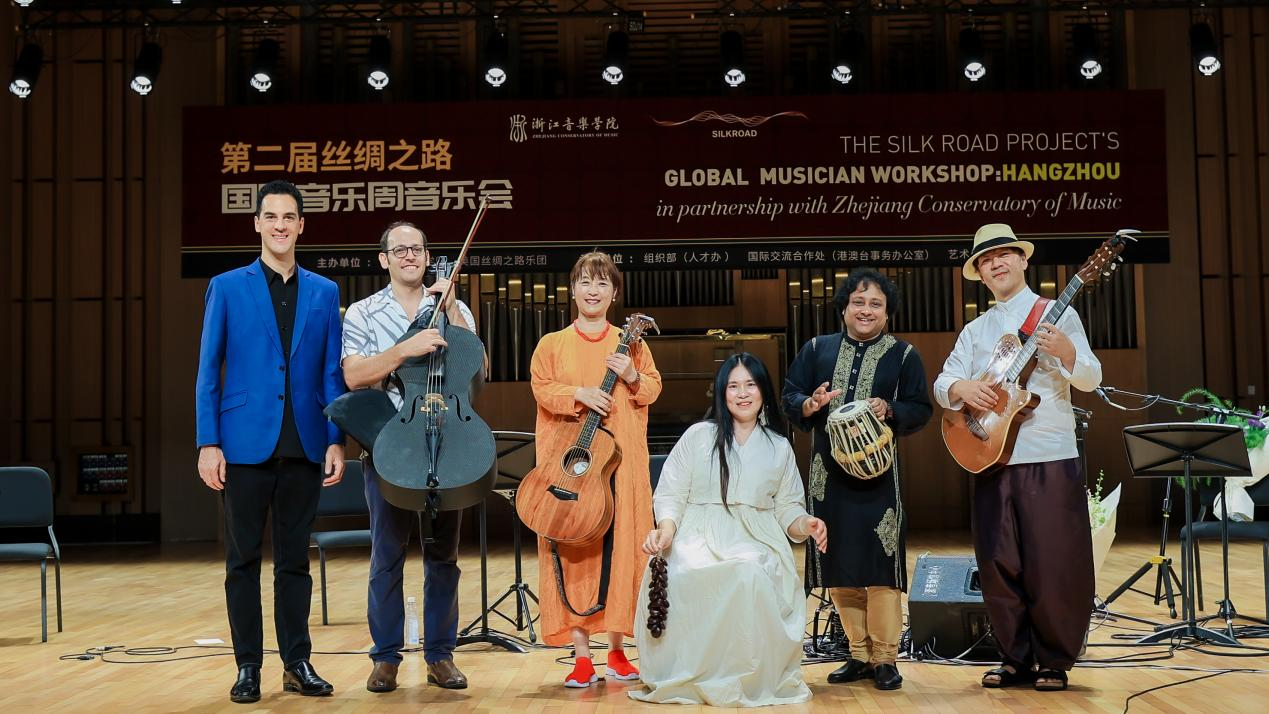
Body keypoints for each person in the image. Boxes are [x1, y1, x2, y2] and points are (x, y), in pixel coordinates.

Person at [195, 179, 346, 704]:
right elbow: (208, 370)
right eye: (271, 216)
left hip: (304, 443)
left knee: (294, 562)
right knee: (241, 562)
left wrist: (335, 439)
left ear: (302, 225)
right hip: (241, 445)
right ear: (257, 224)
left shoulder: (325, 292)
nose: (280, 225)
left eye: (289, 217)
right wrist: (208, 441)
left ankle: (297, 662)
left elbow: (331, 375)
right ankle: (248, 667)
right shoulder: (226, 286)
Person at [933, 223, 1101, 692]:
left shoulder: (1056, 314)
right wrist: (963, 387)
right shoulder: (975, 330)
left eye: (1004, 254)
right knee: (998, 561)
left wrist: (1068, 352)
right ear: (980, 274)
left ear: (1023, 260)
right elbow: (943, 385)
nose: (996, 264)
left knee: (1054, 561)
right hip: (991, 457)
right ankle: (1013, 657)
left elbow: (1091, 378)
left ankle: (1054, 660)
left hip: (1048, 455)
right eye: (986, 260)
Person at [632, 353, 828, 707]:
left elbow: (787, 508)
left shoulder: (778, 446)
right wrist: (666, 530)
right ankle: (692, 673)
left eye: (750, 385)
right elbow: (672, 493)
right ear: (722, 393)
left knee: (749, 570)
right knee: (685, 568)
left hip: (754, 537)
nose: (742, 393)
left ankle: (743, 676)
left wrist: (806, 523)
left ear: (763, 391)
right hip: (696, 532)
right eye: (734, 386)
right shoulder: (698, 436)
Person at [340, 221, 479, 693]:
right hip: (390, 444)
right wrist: (405, 349)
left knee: (444, 556)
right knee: (387, 555)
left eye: (417, 248)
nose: (409, 256)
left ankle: (441, 655)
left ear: (427, 256)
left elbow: (473, 365)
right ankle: (385, 658)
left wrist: (452, 305)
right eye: (399, 250)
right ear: (384, 259)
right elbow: (355, 375)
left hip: (445, 441)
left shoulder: (450, 306)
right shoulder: (362, 312)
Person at [782, 267, 932, 691]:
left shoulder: (903, 355)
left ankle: (885, 657)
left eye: (876, 304)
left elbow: (921, 408)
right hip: (827, 478)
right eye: (858, 302)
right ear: (844, 308)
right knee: (839, 564)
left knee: (881, 565)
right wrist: (810, 403)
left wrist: (891, 409)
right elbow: (790, 395)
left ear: (887, 312)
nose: (866, 310)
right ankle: (858, 654)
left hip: (879, 480)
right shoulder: (816, 349)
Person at [529, 251, 662, 687]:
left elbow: (652, 389)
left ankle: (618, 653)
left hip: (620, 466)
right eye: (585, 282)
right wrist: (579, 393)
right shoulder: (552, 343)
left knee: (622, 550)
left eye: (602, 283)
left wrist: (632, 375)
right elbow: (542, 388)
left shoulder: (632, 343)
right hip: (572, 468)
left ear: (614, 294)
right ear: (573, 289)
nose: (593, 290)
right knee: (576, 554)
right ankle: (582, 656)